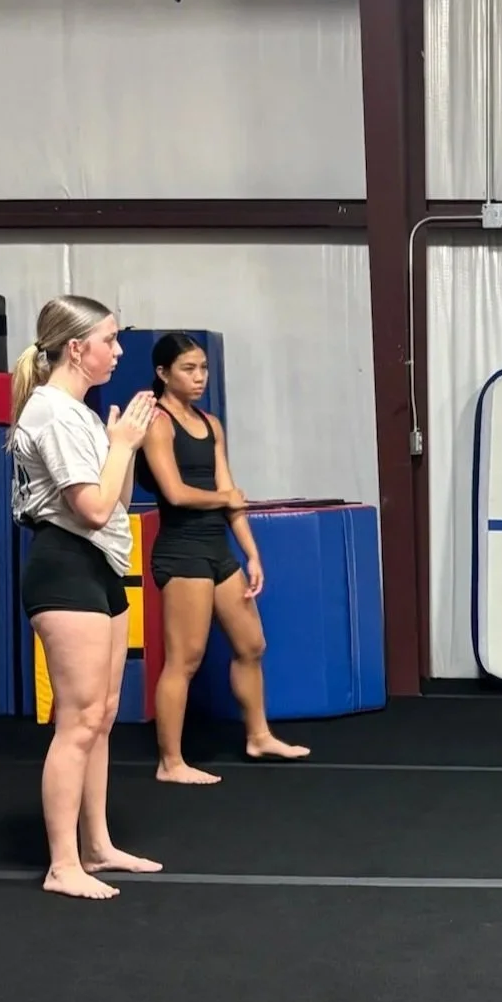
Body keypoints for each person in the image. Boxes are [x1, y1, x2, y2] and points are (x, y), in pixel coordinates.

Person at [9, 295, 162, 901]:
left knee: (100, 717)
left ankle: (96, 845)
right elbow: (91, 508)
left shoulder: (81, 413)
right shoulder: (50, 412)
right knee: (76, 723)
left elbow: (116, 501)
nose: (119, 351)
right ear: (77, 348)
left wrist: (124, 441)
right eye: (110, 340)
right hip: (64, 569)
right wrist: (122, 443)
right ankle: (61, 864)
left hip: (98, 568)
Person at [135, 333, 308, 784]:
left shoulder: (211, 424)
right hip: (182, 551)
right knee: (185, 660)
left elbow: (231, 497)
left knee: (252, 645)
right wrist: (225, 496)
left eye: (203, 369)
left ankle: (259, 736)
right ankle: (170, 763)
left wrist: (251, 553)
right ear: (163, 374)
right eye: (188, 369)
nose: (199, 377)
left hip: (217, 549)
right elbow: (173, 493)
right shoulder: (157, 423)